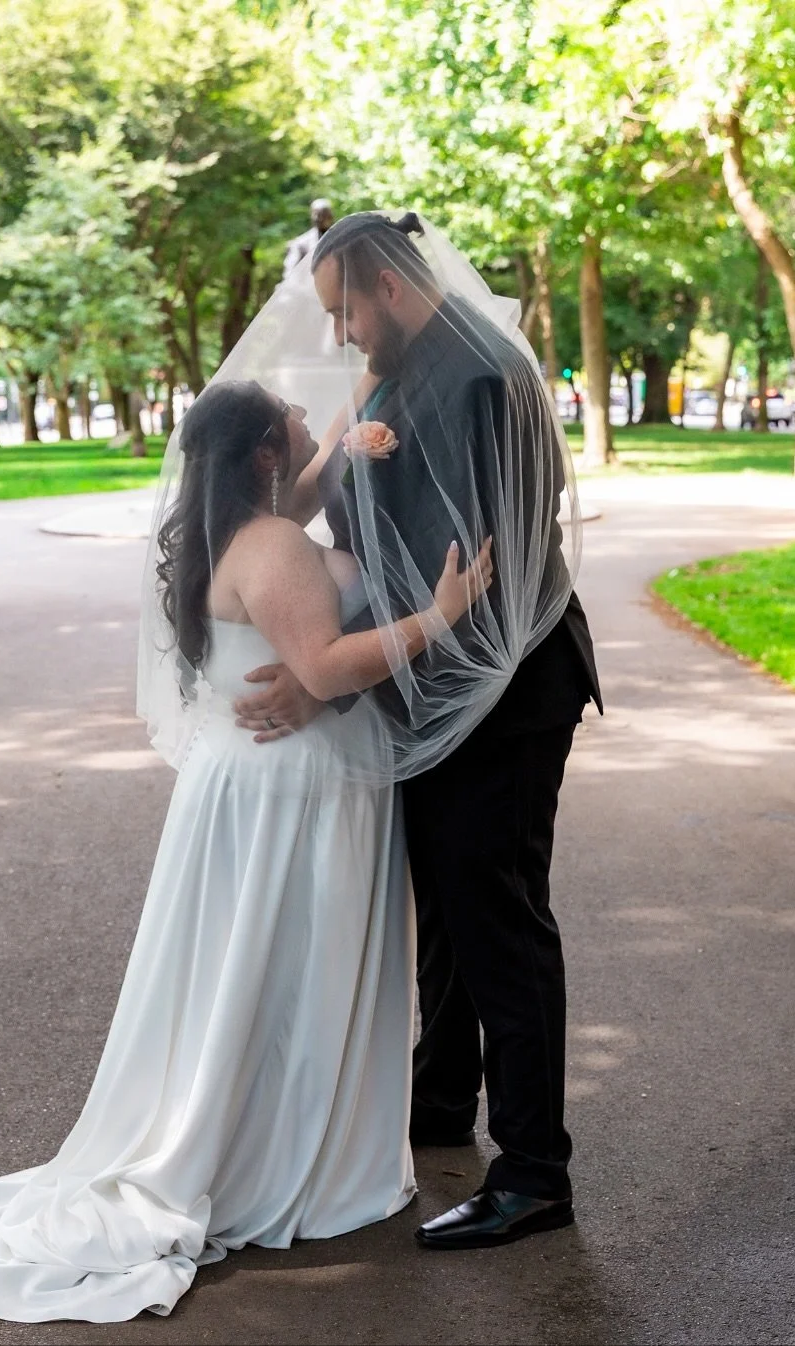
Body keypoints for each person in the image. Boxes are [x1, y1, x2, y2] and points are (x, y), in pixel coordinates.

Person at [0, 380, 492, 1323]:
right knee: (286, 974)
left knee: (252, 978)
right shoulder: (272, 547)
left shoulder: (239, 527)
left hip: (255, 789)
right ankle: (290, 1151)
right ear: (263, 453)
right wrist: (443, 614)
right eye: (291, 416)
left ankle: (283, 1129)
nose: (306, 417)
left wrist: (350, 421)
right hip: (293, 797)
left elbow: (302, 494)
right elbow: (327, 667)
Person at [233, 210, 602, 1250]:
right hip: (440, 690)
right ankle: (440, 1103)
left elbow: (470, 581)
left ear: (389, 287)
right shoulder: (400, 368)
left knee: (498, 919)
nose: (342, 331)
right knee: (441, 903)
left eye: (346, 308)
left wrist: (327, 686)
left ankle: (534, 1172)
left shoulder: (476, 375)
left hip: (508, 689)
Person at [282, 198, 334, 280]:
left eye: (323, 214)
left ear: (331, 216)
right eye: (316, 214)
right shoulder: (301, 243)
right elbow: (290, 272)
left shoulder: (342, 240)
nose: (318, 218)